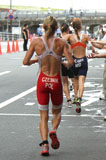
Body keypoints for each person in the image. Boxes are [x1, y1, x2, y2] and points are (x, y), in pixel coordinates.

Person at [22, 16, 74, 156]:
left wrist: (36, 59)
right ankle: (54, 131)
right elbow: (70, 62)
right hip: (55, 80)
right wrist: (63, 63)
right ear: (57, 28)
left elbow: (25, 62)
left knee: (43, 116)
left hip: (43, 81)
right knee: (56, 112)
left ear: (43, 27)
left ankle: (45, 146)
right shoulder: (61, 42)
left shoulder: (36, 42)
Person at [64, 18, 91, 113]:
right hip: (83, 60)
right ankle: (79, 97)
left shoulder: (70, 37)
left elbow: (60, 40)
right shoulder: (85, 36)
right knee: (81, 81)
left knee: (74, 80)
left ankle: (75, 97)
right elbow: (94, 45)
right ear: (81, 25)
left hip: (74, 60)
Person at [60, 23, 75, 108]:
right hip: (70, 60)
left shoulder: (58, 39)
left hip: (61, 61)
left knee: (65, 82)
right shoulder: (70, 38)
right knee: (74, 80)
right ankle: (76, 98)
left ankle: (69, 100)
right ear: (68, 30)